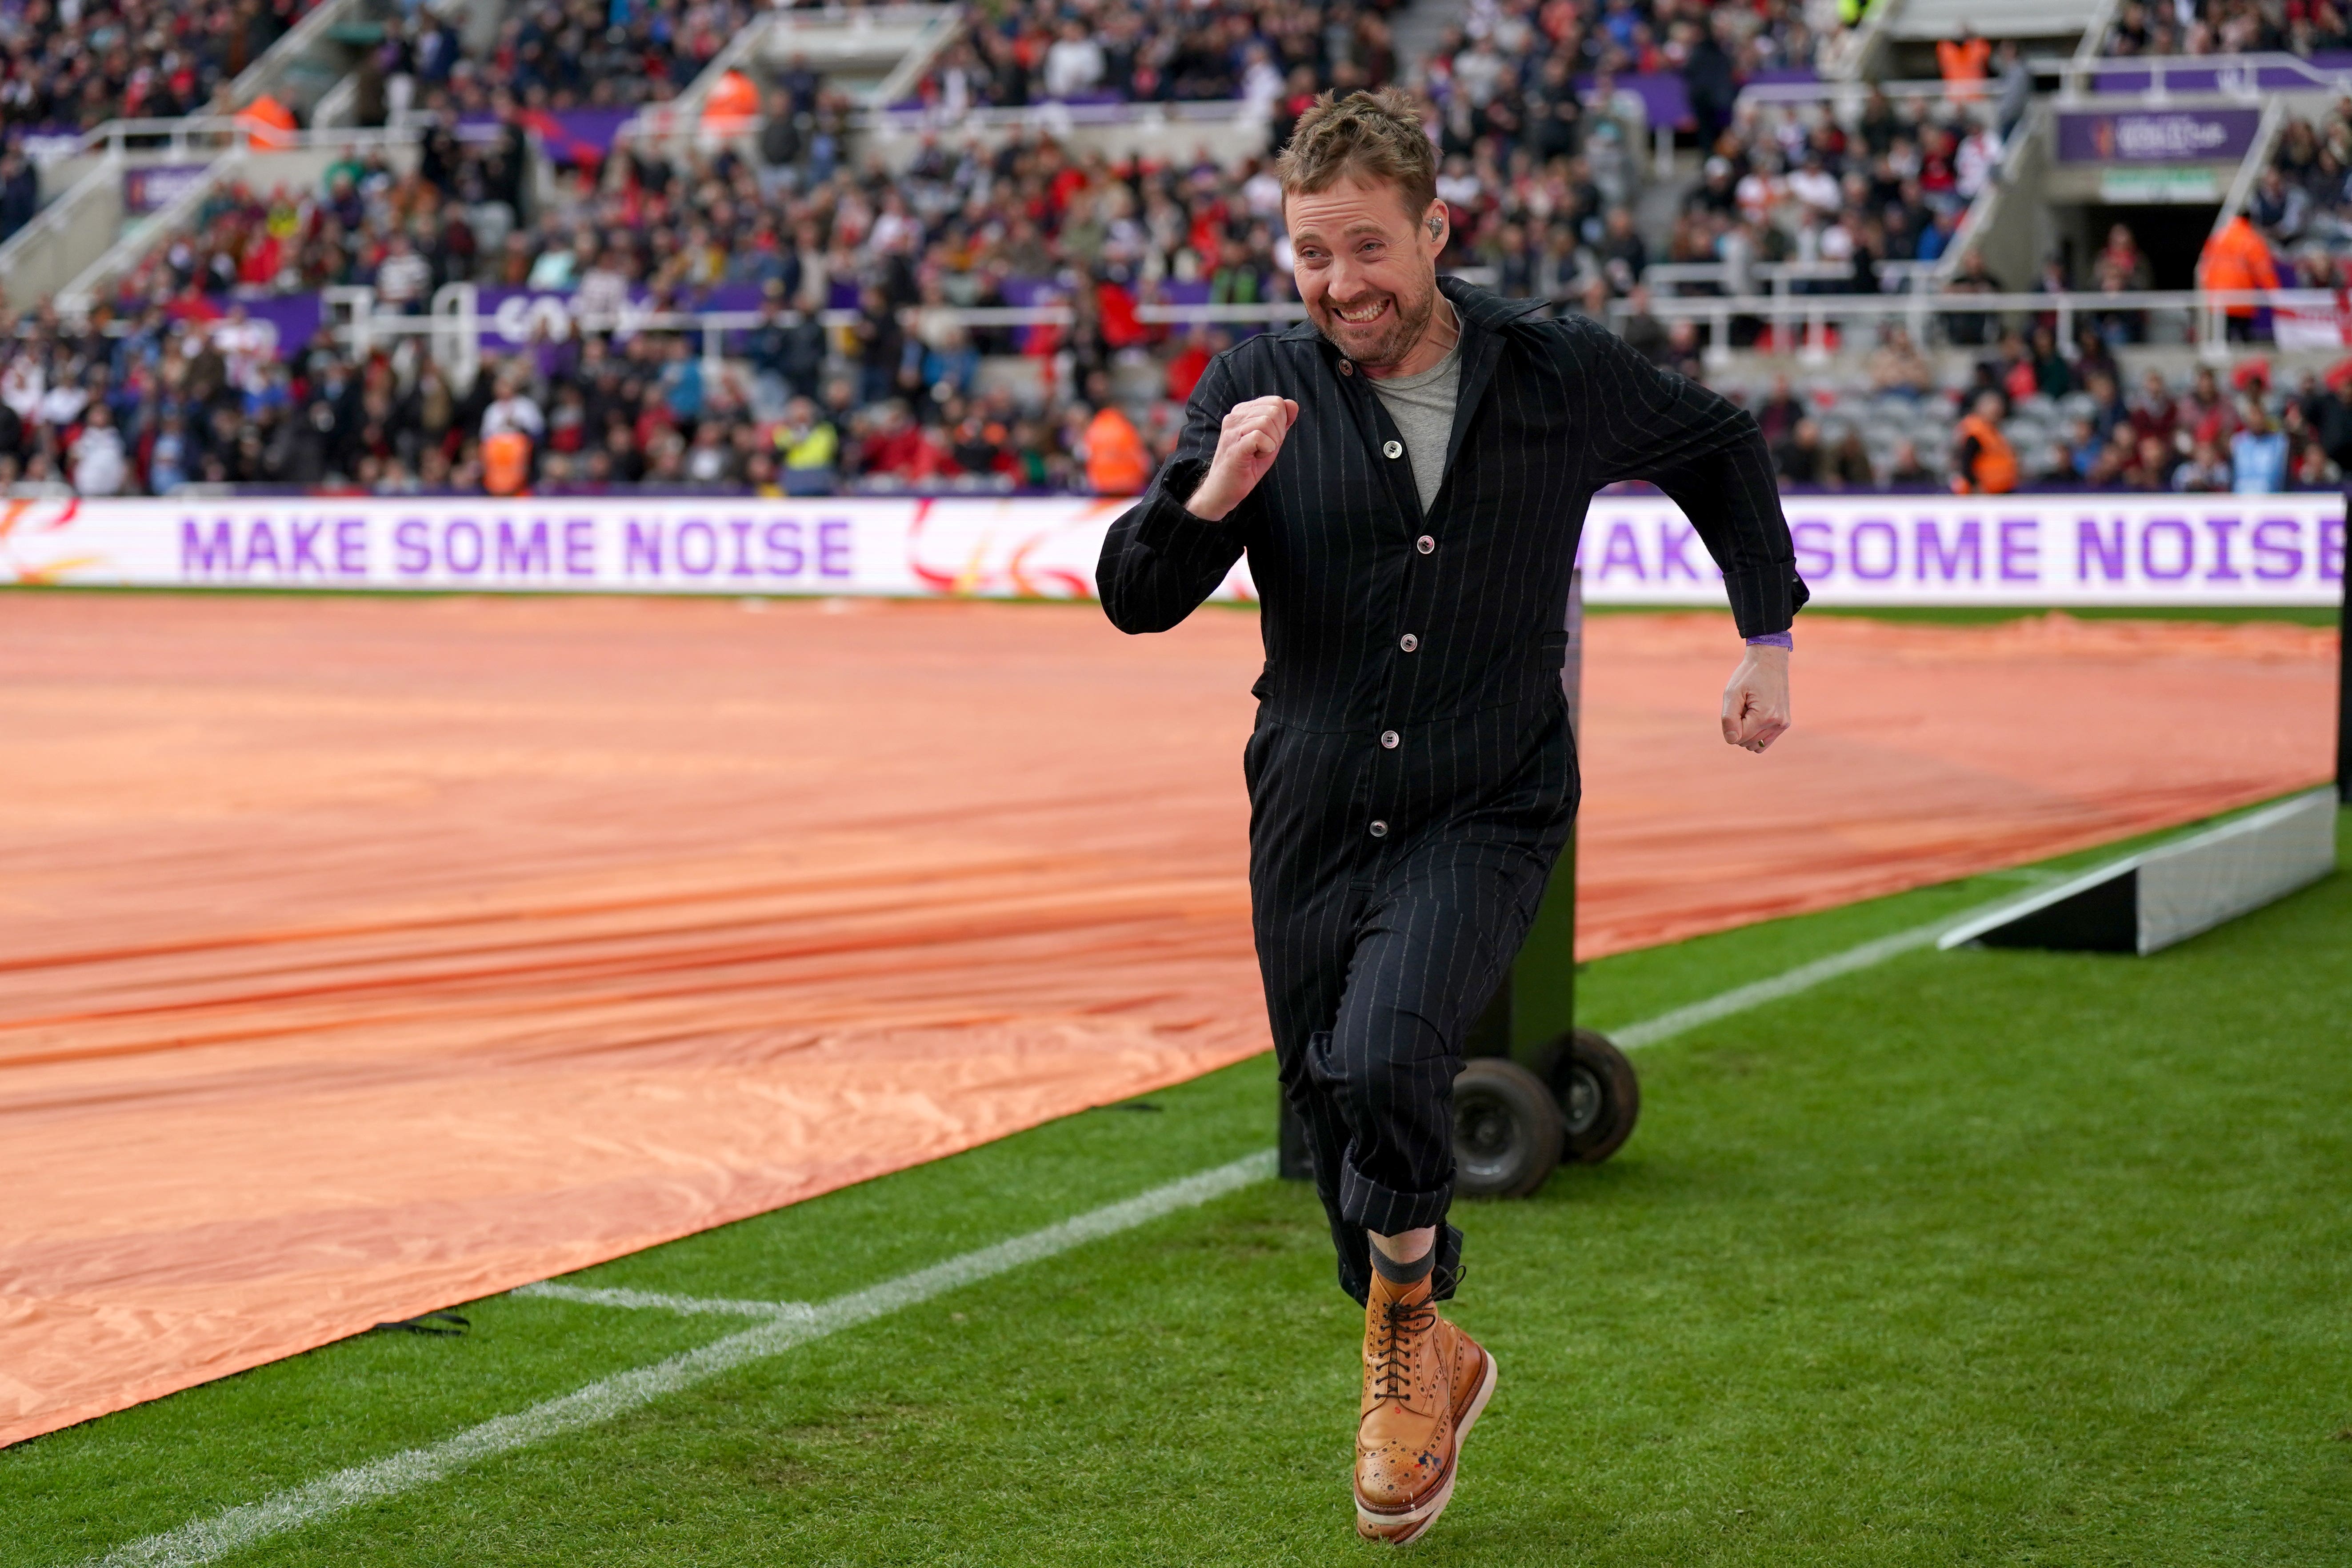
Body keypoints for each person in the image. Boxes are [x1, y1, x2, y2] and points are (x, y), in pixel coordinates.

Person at [1096, 89, 1803, 1547]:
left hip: (1488, 792)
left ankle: (1405, 1349)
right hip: (1306, 798)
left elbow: (1718, 443)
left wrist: (1765, 631)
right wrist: (1212, 491)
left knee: (1389, 1048)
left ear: (1434, 231)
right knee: (1330, 1108)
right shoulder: (1255, 378)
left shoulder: (1554, 370)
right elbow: (1136, 595)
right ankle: (1430, 1339)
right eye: (1310, 253)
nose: (1340, 281)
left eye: (1368, 246)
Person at [1952, 390, 2018, 494]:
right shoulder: (1975, 432)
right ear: (1979, 408)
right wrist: (1976, 487)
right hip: (1982, 494)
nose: (1996, 409)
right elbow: (1966, 463)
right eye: (1991, 405)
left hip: (2000, 491)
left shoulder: (1995, 430)